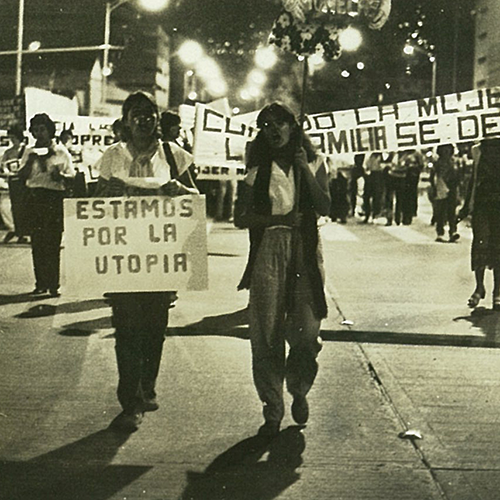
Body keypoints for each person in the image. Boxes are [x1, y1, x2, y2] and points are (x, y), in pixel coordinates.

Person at [94, 92, 198, 433]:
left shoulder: (174, 154)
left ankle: (147, 385)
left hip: (161, 257)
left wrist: (179, 191)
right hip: (123, 256)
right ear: (125, 120)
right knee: (125, 329)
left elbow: (195, 200)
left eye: (149, 113)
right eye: (135, 114)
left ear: (157, 118)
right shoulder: (111, 156)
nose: (143, 119)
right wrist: (105, 195)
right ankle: (131, 401)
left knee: (154, 328)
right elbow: (95, 201)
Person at [234, 102, 330, 437]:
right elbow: (240, 217)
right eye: (265, 125)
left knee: (306, 328)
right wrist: (278, 220)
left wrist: (304, 169)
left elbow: (326, 205)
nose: (273, 130)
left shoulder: (315, 162)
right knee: (266, 331)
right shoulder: (257, 171)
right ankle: (272, 408)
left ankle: (299, 388)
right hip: (268, 249)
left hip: (304, 249)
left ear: (293, 125)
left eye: (279, 123)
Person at [18, 114, 75, 296]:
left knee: (52, 241)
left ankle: (53, 284)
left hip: (53, 198)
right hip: (35, 198)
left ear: (50, 130)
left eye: (42, 129)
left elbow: (72, 176)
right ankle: (40, 283)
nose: (39, 133)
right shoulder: (29, 151)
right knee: (38, 242)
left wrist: (61, 177)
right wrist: (31, 161)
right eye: (35, 130)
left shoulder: (60, 151)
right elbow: (22, 176)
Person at [458, 138, 500, 310]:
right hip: (482, 204)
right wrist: (466, 205)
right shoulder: (477, 150)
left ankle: (497, 291)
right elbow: (474, 180)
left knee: (498, 247)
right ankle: (479, 287)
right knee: (480, 244)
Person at [0, 125, 28, 243]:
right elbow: (2, 165)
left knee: (22, 207)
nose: (12, 141)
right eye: (10, 138)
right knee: (5, 206)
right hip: (10, 181)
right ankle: (13, 228)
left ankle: (22, 232)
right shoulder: (8, 152)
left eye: (14, 138)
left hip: (23, 183)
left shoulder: (27, 150)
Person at [430, 144, 460, 243]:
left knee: (451, 212)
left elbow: (458, 176)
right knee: (440, 212)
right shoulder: (437, 163)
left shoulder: (454, 162)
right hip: (441, 188)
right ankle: (440, 232)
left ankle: (452, 231)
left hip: (452, 188)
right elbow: (432, 177)